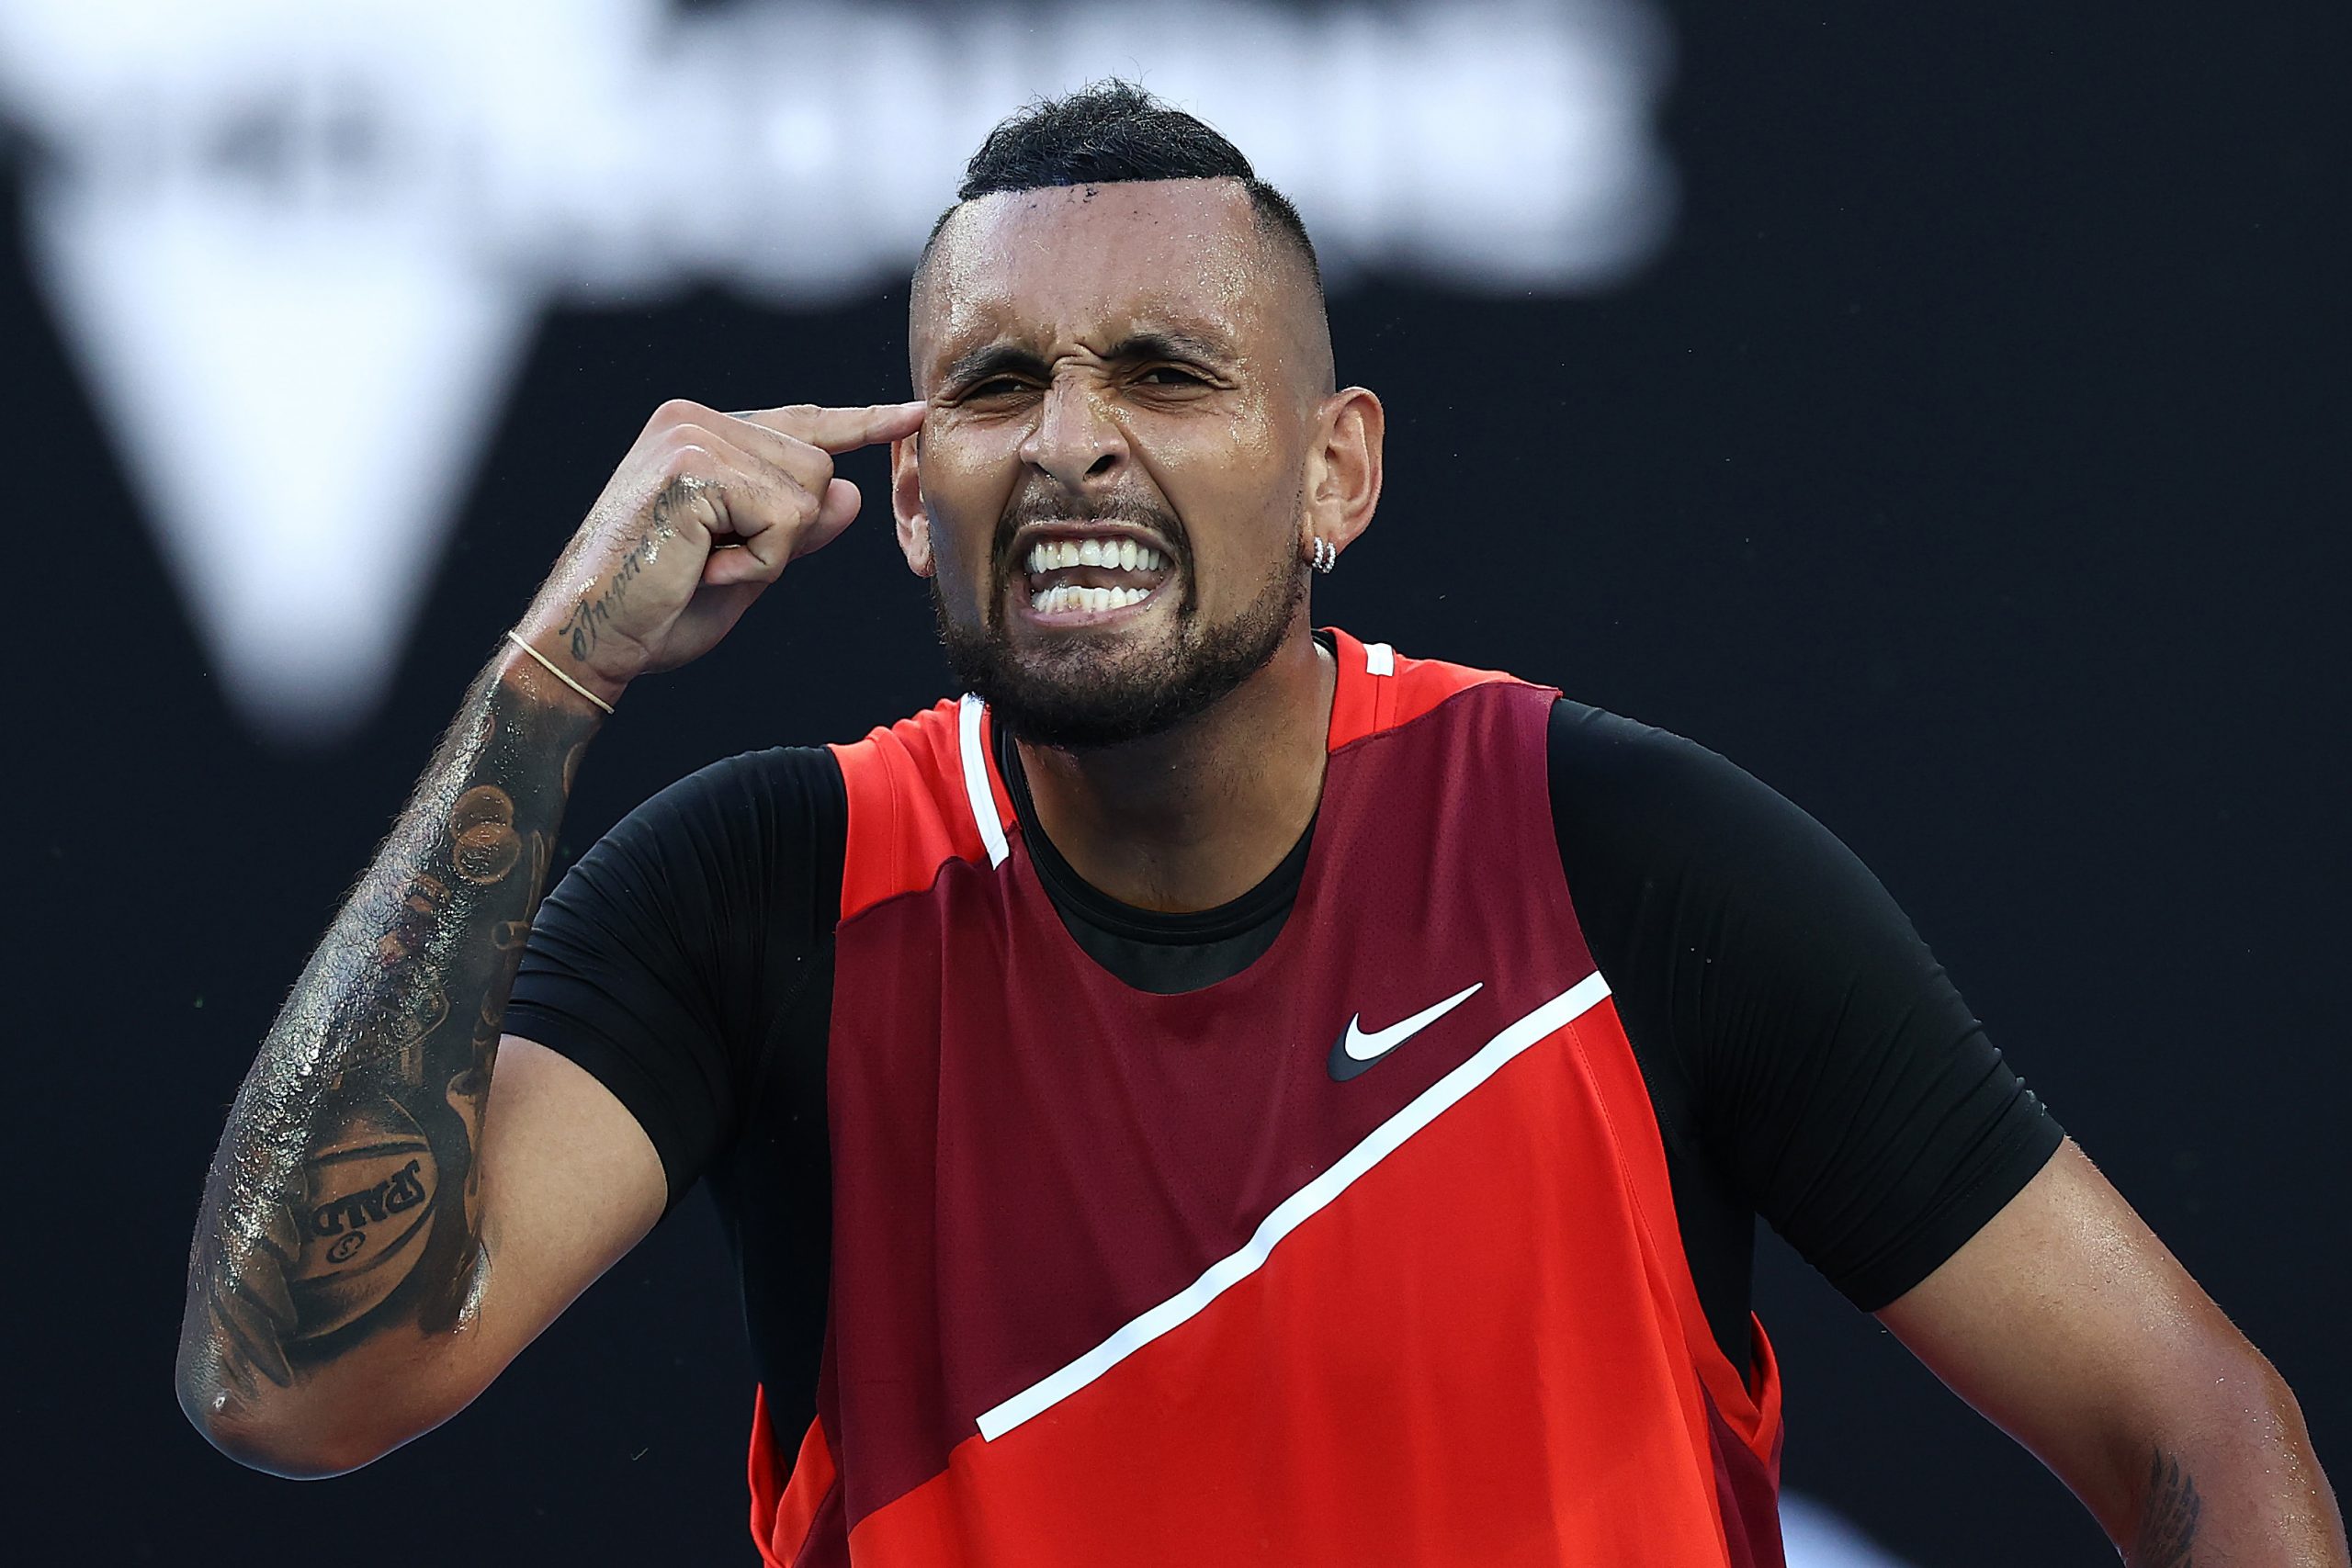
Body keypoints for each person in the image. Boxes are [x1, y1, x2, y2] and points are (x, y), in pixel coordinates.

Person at [177, 83, 2343, 1567]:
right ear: (914, 497)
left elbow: (2195, 1434)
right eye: (996, 385)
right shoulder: (772, 892)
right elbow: (293, 1383)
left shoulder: (1616, 856)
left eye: (1166, 371)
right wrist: (546, 672)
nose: (1071, 443)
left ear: (1337, 471)